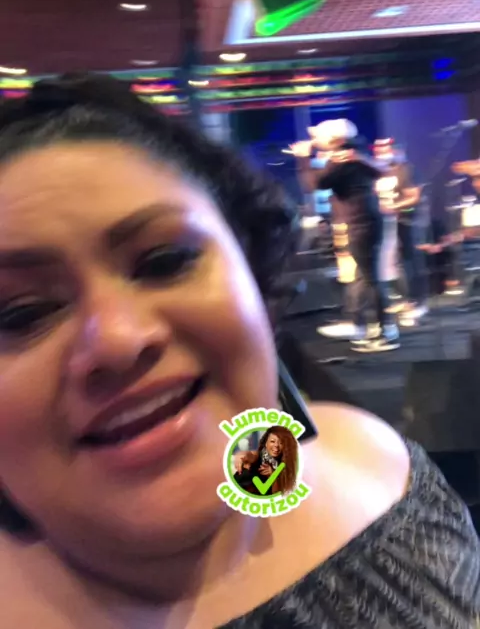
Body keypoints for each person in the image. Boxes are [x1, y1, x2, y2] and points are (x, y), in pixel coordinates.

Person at [0, 74, 478, 628]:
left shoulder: (375, 461)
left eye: (164, 261)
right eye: (21, 313)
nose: (119, 339)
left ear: (250, 266)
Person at [292, 120, 399, 351]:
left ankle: (385, 330)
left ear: (336, 139)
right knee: (363, 277)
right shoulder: (352, 154)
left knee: (370, 278)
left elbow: (314, 184)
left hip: (362, 223)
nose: (316, 141)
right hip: (366, 221)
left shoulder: (343, 158)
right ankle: (363, 324)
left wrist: (303, 158)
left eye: (320, 137)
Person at [374, 140, 429, 321]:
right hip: (388, 223)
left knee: (411, 261)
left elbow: (414, 197)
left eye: (385, 149)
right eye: (378, 149)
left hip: (408, 220)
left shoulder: (407, 169)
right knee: (395, 264)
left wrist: (393, 207)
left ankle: (419, 302)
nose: (381, 153)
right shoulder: (379, 171)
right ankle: (405, 298)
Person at [233, 427, 298, 496]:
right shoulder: (259, 455)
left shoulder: (286, 465)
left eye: (281, 442)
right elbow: (251, 455)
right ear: (266, 443)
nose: (276, 445)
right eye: (272, 441)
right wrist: (242, 455)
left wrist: (272, 475)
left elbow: (277, 494)